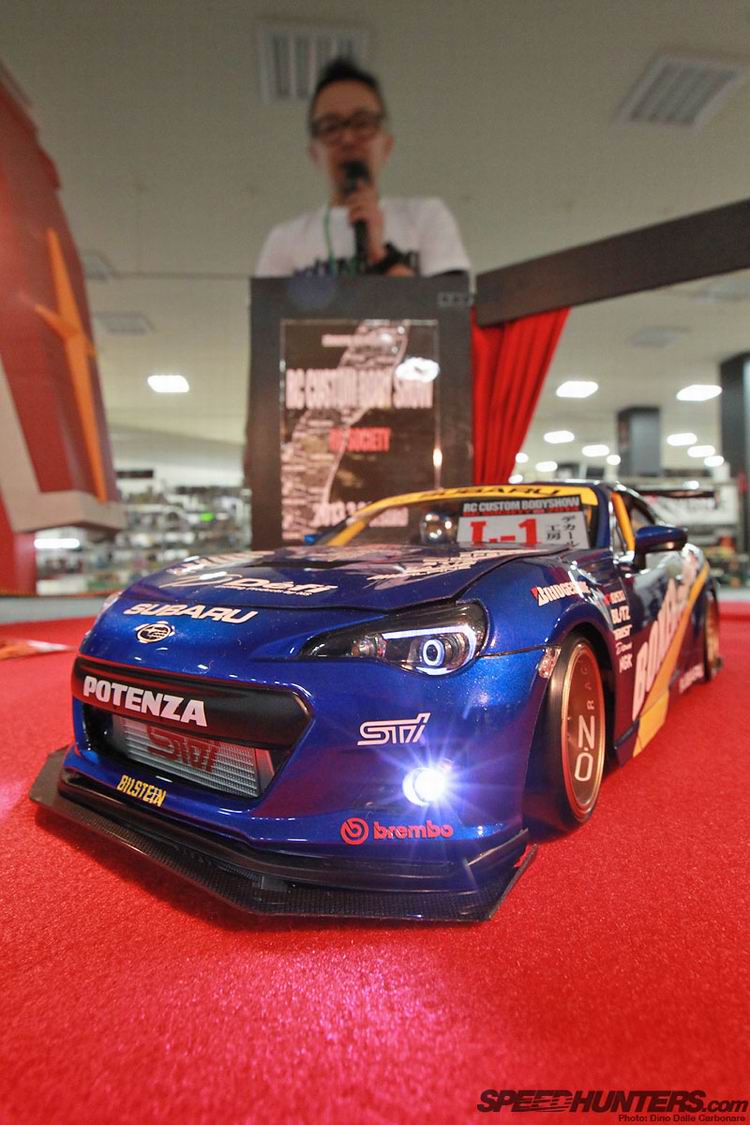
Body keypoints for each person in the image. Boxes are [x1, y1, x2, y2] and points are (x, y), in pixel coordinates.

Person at [255, 57, 470, 278]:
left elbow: (450, 300)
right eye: (331, 127)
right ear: (314, 155)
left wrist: (382, 256)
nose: (348, 139)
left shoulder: (426, 216)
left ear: (387, 146)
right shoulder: (285, 240)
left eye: (363, 123)